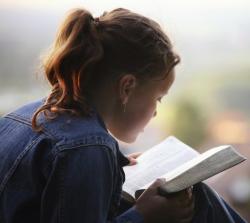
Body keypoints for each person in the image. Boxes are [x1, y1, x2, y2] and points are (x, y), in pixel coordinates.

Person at [0, 7, 203, 223]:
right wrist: (145, 217)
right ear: (127, 88)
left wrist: (112, 167)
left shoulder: (17, 118)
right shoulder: (88, 148)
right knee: (199, 196)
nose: (155, 112)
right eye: (158, 98)